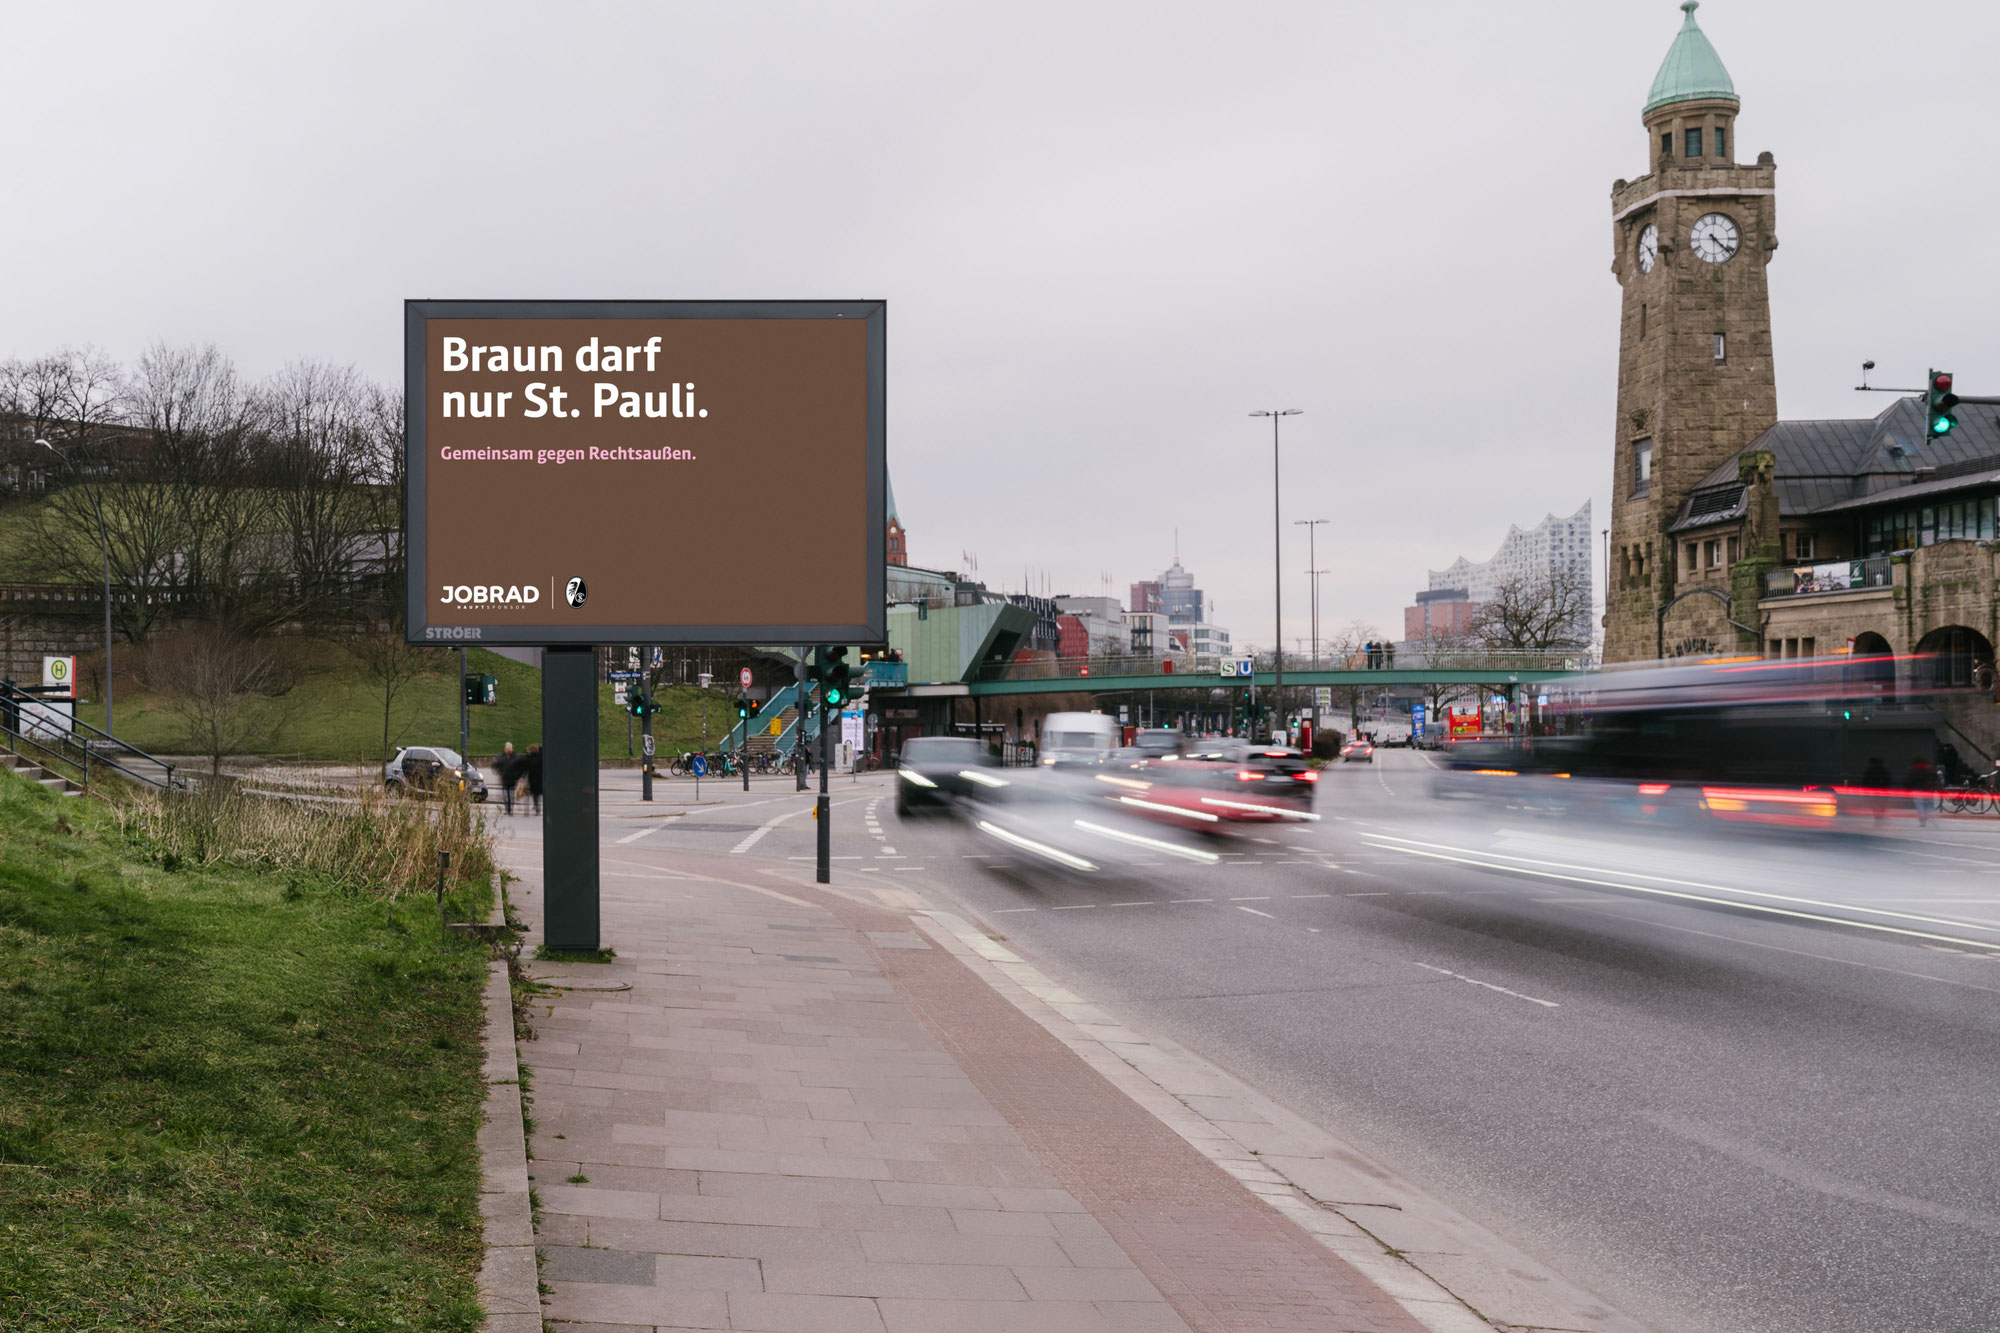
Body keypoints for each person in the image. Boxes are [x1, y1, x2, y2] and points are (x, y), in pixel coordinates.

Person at [1907, 754, 1939, 827]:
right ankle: (1932, 818)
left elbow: (1910, 781)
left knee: (1920, 806)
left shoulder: (1913, 769)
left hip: (1917, 790)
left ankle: (1922, 822)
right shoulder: (1930, 769)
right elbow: (1935, 779)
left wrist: (1909, 789)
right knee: (1929, 805)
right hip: (1928, 790)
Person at [494, 742, 518, 814]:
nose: (508, 750)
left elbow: (518, 767)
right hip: (504, 779)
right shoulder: (501, 757)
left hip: (512, 780)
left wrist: (517, 776)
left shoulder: (515, 757)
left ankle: (510, 809)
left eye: (509, 749)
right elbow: (496, 765)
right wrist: (499, 771)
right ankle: (507, 809)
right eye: (507, 749)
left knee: (511, 796)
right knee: (505, 796)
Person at [525, 743, 544, 815]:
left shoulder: (529, 758)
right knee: (538, 794)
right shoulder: (540, 757)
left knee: (535, 794)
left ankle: (537, 807)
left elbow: (526, 768)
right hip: (539, 778)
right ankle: (537, 808)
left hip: (532, 778)